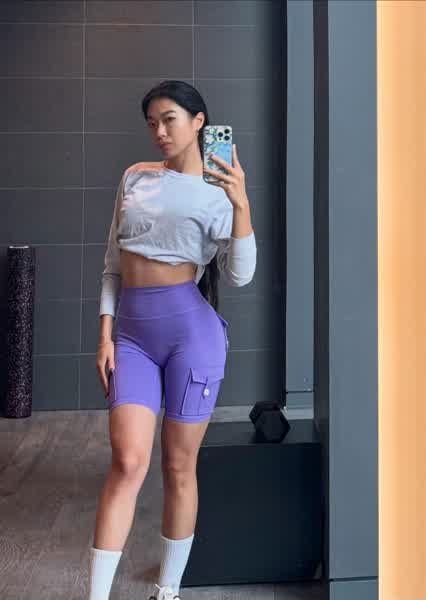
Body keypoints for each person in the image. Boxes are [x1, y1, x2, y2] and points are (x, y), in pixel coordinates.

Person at [88, 80, 257, 600]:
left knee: (179, 467)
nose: (159, 131)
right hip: (132, 338)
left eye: (169, 120)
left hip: (192, 337)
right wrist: (105, 335)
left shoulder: (218, 191)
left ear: (198, 122)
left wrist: (241, 205)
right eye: (152, 123)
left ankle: (168, 592)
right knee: (127, 462)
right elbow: (112, 264)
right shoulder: (135, 177)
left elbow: (240, 275)